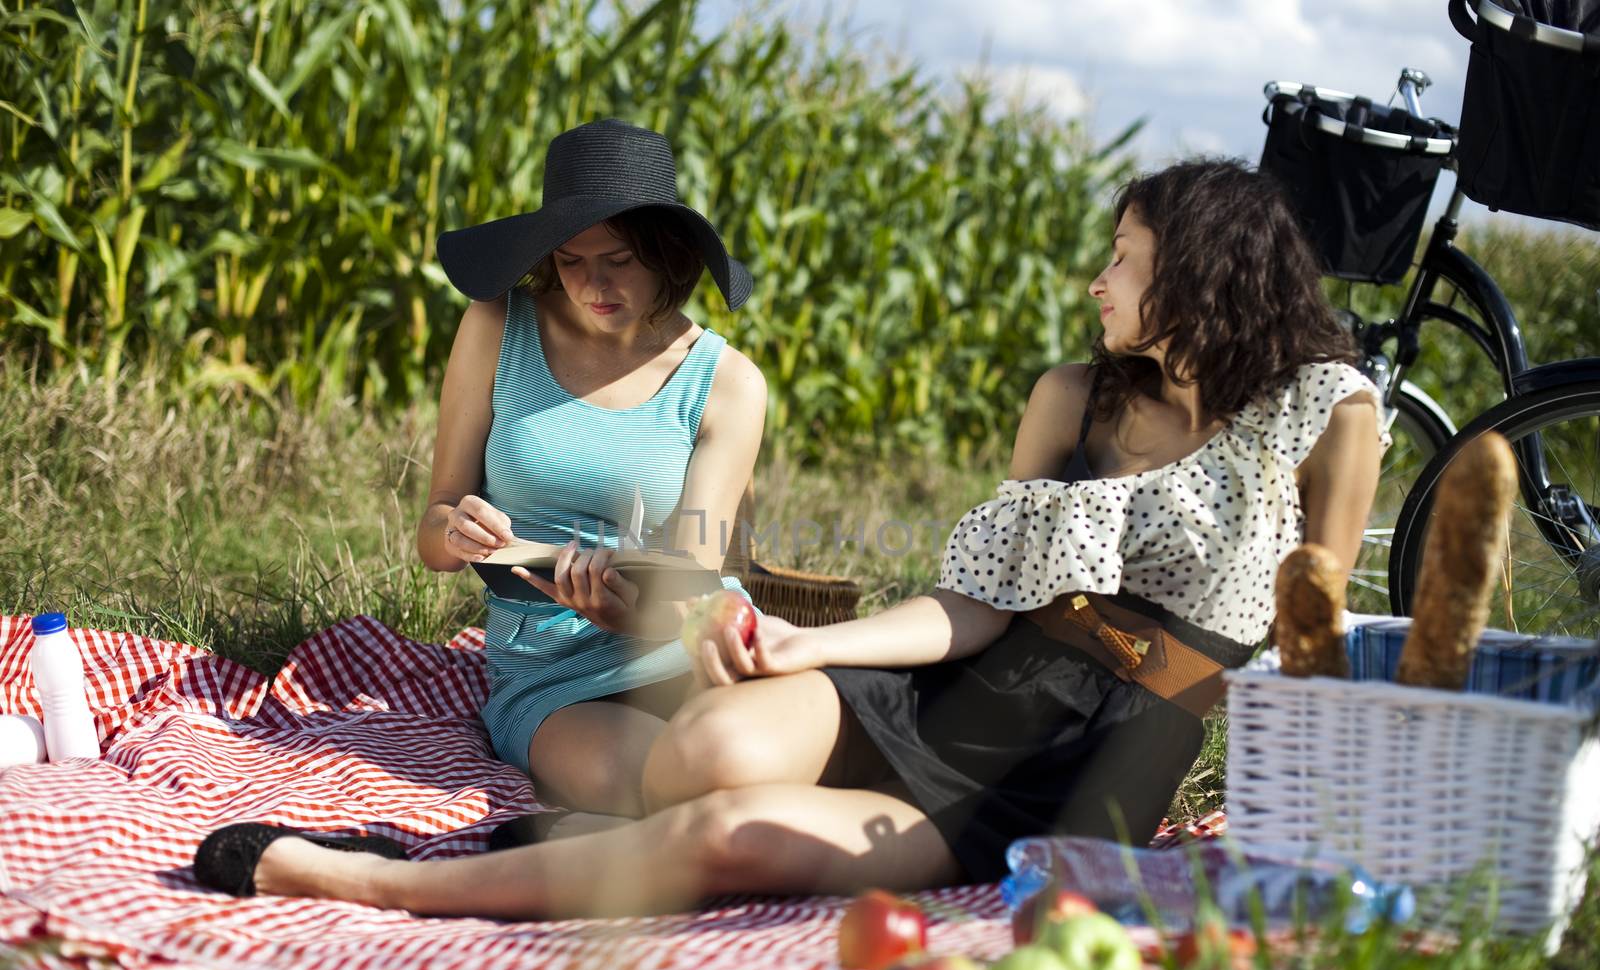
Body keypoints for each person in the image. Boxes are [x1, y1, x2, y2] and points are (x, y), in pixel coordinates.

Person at [192, 159, 1385, 918]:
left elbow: (1311, 649)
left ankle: (383, 874)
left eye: (1122, 257)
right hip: (947, 686)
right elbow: (975, 605)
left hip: (1060, 777)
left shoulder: (1327, 416)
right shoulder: (1068, 399)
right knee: (709, 743)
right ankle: (547, 837)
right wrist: (802, 647)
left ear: (1201, 273)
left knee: (717, 830)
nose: (1095, 280)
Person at [410, 118, 765, 838]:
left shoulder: (726, 382)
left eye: (619, 260)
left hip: (686, 645)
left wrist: (627, 612)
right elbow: (432, 529)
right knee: (655, 785)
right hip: (551, 673)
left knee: (759, 770)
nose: (592, 285)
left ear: (670, 257)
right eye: (570, 261)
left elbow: (695, 576)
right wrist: (454, 529)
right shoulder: (495, 326)